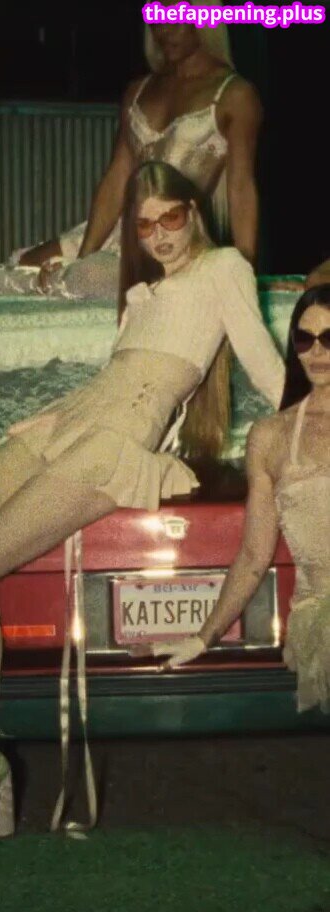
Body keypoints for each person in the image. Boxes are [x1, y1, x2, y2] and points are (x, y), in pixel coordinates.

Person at [0, 162, 284, 844]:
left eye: (171, 218)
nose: (160, 235)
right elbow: (57, 286)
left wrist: (313, 425)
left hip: (114, 441)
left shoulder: (223, 267)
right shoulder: (140, 290)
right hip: (72, 417)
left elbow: (263, 360)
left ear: (195, 212)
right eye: (146, 225)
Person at [0, 4, 262, 301]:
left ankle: (5, 280)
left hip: (167, 238)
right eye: (156, 19)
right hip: (122, 230)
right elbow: (116, 179)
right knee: (27, 263)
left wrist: (244, 270)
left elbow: (240, 188)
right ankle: (53, 277)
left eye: (174, 18)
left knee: (87, 278)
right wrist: (85, 254)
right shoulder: (139, 90)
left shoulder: (235, 95)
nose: (163, 30)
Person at [153, 284, 330, 715]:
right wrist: (204, 637)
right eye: (304, 339)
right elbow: (253, 555)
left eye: (329, 338)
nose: (316, 351)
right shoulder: (270, 436)